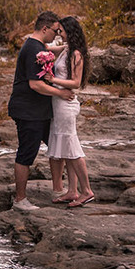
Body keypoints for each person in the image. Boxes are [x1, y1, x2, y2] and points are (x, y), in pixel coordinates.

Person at [8, 11, 75, 211]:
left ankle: (58, 189)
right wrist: (60, 93)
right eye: (55, 30)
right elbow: (36, 85)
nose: (57, 34)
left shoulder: (38, 45)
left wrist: (68, 47)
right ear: (44, 28)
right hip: (28, 111)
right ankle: (20, 200)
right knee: (27, 153)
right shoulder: (32, 49)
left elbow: (49, 49)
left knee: (57, 145)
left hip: (41, 110)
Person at [44, 16, 95, 208]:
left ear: (70, 31)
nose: (59, 34)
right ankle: (72, 191)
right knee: (65, 147)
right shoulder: (66, 49)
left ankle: (87, 191)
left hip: (66, 105)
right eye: (57, 31)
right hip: (58, 104)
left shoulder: (76, 54)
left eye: (61, 31)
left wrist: (52, 79)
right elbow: (46, 48)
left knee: (72, 148)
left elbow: (75, 82)